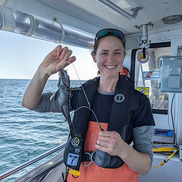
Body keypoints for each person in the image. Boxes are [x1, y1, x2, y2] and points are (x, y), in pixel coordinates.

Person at [22, 28, 155, 182]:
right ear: (94, 56)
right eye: (104, 53)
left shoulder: (139, 101)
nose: (111, 59)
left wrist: (124, 150)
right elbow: (31, 104)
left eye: (117, 52)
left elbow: (145, 166)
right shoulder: (80, 94)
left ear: (124, 55)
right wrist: (43, 71)